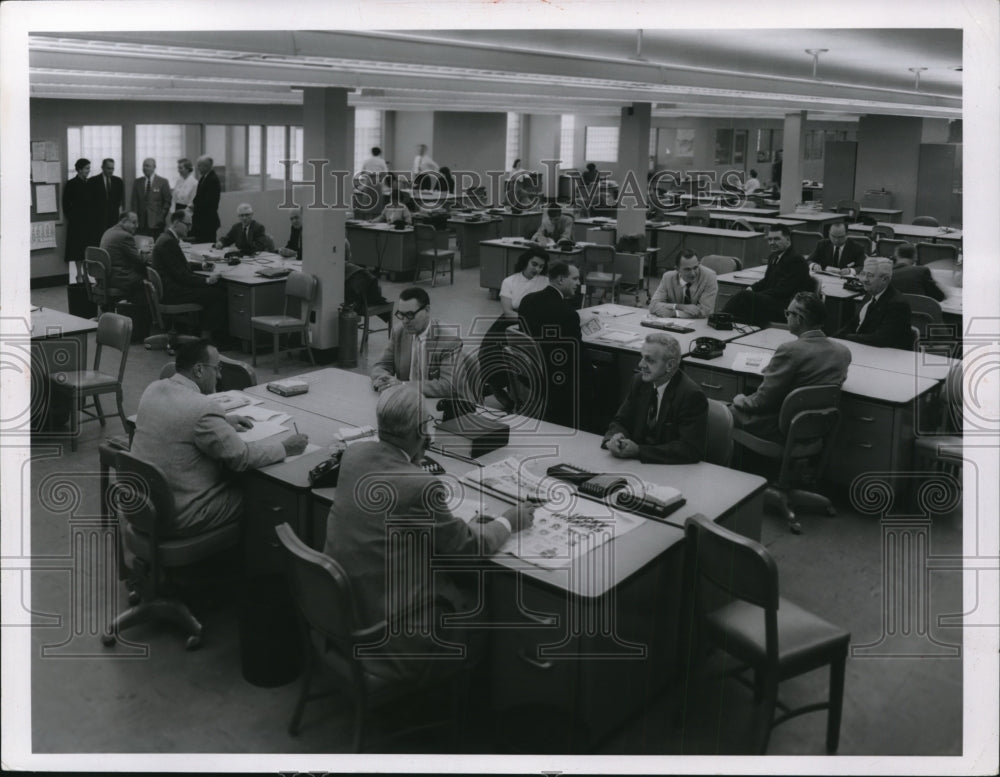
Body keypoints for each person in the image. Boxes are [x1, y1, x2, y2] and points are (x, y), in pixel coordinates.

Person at [322, 385, 533, 681]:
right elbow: (468, 549)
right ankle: (462, 705)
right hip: (392, 635)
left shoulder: (353, 456)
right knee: (486, 600)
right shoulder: (422, 485)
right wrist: (509, 521)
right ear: (423, 431)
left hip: (344, 615)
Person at [131, 339, 308, 538]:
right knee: (258, 496)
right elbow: (242, 458)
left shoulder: (153, 389)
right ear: (199, 370)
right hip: (179, 516)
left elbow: (180, 421)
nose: (220, 375)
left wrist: (221, 423)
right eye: (216, 369)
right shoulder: (202, 408)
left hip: (140, 506)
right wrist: (285, 447)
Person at [731, 291, 851, 440]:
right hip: (816, 428)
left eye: (788, 313)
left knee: (721, 411)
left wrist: (741, 400)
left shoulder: (789, 350)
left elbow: (762, 401)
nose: (786, 317)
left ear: (799, 319)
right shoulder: (843, 352)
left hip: (782, 427)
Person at [602, 332, 708, 463]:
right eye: (642, 357)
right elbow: (620, 421)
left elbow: (690, 449)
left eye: (649, 360)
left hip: (671, 472)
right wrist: (613, 438)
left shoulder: (691, 395)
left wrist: (639, 451)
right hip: (636, 466)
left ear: (670, 365)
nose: (641, 365)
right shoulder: (639, 382)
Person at [518, 261, 592, 427]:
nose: (579, 283)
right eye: (574, 279)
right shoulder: (567, 314)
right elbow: (578, 356)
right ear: (560, 280)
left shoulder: (527, 301)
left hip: (530, 372)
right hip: (557, 382)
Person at [479, 247, 550, 410]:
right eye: (534, 264)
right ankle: (497, 387)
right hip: (511, 321)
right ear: (525, 261)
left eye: (541, 266)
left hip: (537, 323)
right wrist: (529, 320)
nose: (537, 269)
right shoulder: (510, 281)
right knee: (490, 349)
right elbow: (508, 312)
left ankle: (524, 393)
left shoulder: (544, 281)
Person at [371, 287, 463, 398]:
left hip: (434, 403)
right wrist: (385, 380)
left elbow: (449, 385)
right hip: (406, 400)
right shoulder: (398, 332)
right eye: (401, 315)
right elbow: (381, 366)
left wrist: (404, 385)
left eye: (410, 315)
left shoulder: (449, 340)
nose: (404, 321)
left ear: (427, 310)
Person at [153, 211, 228, 339]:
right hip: (174, 293)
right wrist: (207, 281)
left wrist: (202, 266)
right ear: (176, 223)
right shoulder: (169, 242)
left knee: (215, 289)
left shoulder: (165, 238)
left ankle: (200, 332)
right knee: (218, 294)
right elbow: (182, 276)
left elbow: (178, 265)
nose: (190, 228)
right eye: (187, 225)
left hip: (168, 289)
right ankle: (206, 339)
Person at [723, 223, 812, 327]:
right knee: (744, 296)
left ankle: (721, 317)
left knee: (744, 297)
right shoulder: (774, 256)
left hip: (786, 307)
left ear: (788, 240)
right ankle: (724, 319)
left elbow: (783, 291)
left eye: (776, 239)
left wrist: (755, 295)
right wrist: (751, 288)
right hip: (772, 301)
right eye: (770, 239)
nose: (772, 243)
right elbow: (766, 281)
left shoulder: (796, 260)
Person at [837, 256, 913, 350]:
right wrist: (832, 339)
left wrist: (847, 338)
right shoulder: (870, 294)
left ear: (885, 279)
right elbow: (853, 324)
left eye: (870, 275)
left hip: (886, 355)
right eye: (863, 274)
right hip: (864, 347)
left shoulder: (898, 304)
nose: (864, 279)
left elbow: (880, 339)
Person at [648, 250, 718, 318]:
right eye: (687, 269)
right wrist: (679, 306)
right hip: (674, 324)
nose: (693, 273)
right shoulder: (668, 277)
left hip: (700, 324)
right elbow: (653, 305)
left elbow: (705, 311)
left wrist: (674, 313)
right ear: (677, 269)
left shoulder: (709, 276)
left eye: (695, 267)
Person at [99, 211, 148, 303]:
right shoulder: (125, 236)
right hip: (119, 277)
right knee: (148, 279)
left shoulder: (109, 231)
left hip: (105, 277)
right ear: (124, 221)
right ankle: (138, 312)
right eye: (134, 222)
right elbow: (139, 260)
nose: (137, 226)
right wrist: (150, 255)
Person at [63, 157, 91, 281]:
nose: (88, 171)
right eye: (86, 168)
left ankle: (86, 273)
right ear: (79, 170)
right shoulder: (71, 184)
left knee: (86, 248)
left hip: (88, 222)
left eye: (89, 168)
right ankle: (79, 274)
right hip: (76, 222)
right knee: (77, 249)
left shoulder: (89, 183)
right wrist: (73, 217)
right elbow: (66, 204)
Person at [130, 157, 172, 238]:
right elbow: (134, 203)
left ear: (154, 167)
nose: (144, 168)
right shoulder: (137, 182)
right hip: (141, 223)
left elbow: (167, 201)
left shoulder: (163, 182)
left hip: (157, 223)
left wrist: (161, 217)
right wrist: (134, 220)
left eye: (147, 166)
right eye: (143, 166)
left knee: (156, 246)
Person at [88, 157, 125, 245]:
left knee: (112, 242)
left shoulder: (118, 181)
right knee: (98, 242)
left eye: (112, 168)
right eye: (108, 168)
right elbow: (89, 202)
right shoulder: (93, 181)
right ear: (102, 167)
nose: (111, 171)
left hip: (113, 219)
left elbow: (120, 200)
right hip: (98, 220)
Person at [191, 155, 221, 243]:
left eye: (199, 165)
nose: (197, 168)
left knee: (206, 244)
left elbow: (209, 201)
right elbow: (198, 196)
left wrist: (195, 206)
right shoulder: (203, 178)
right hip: (200, 220)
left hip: (207, 221)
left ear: (206, 166)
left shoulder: (213, 179)